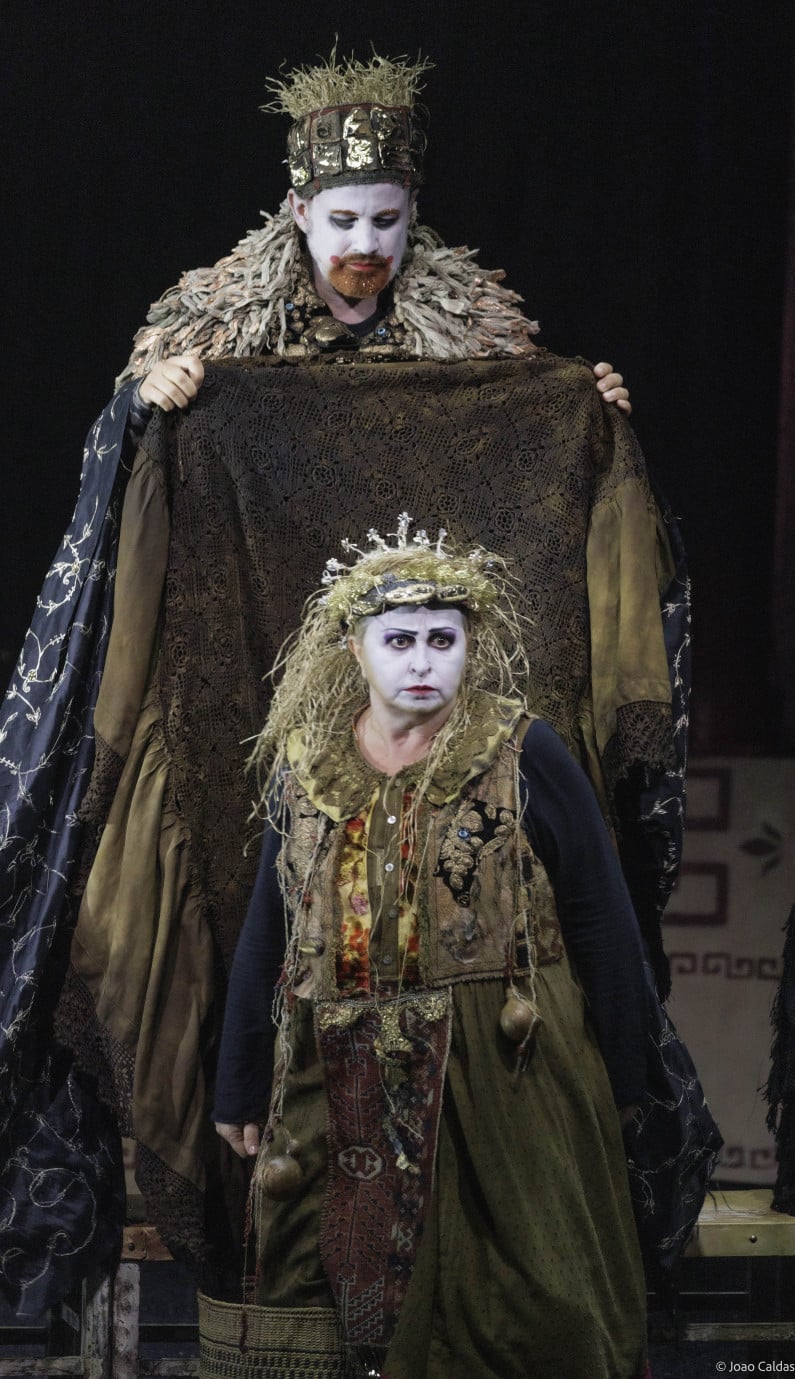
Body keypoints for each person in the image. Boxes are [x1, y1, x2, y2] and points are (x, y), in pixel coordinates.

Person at [0, 47, 686, 1308]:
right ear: (298, 214)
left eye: (386, 222)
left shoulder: (476, 336)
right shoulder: (217, 330)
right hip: (266, 700)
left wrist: (582, 410)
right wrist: (142, 405)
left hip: (470, 912)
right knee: (267, 913)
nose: (365, 248)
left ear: (414, 219)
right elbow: (128, 481)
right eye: (343, 222)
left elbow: (535, 440)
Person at [209, 518, 649, 1379]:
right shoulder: (308, 768)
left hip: (501, 1065)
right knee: (329, 1292)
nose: (421, 661)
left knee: (524, 1293)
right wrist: (240, 1076)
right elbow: (271, 927)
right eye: (399, 640)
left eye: (441, 640)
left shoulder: (521, 750)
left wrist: (623, 1081)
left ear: (469, 646)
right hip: (336, 1064)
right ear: (355, 647)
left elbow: (600, 916)